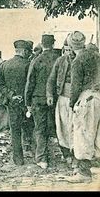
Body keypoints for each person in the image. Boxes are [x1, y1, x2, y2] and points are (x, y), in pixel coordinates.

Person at [66, 31, 100, 183]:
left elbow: (75, 86)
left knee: (83, 134)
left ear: (71, 45)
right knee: (97, 134)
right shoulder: (96, 56)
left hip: (87, 99)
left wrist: (72, 103)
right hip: (98, 96)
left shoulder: (77, 61)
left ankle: (84, 173)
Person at [25, 34, 60, 169]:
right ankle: (67, 155)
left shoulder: (36, 60)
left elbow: (30, 83)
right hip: (55, 99)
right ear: (53, 43)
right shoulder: (59, 59)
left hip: (38, 99)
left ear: (42, 43)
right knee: (57, 126)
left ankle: (41, 158)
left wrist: (28, 102)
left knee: (40, 129)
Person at [0, 40, 31, 165]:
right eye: (28, 51)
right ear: (24, 51)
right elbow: (31, 84)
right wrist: (23, 97)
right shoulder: (29, 64)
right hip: (27, 103)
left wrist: (11, 95)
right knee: (30, 127)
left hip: (12, 103)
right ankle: (34, 154)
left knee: (15, 130)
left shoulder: (5, 65)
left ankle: (18, 159)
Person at [46, 37, 76, 168]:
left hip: (76, 101)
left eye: (71, 50)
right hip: (62, 99)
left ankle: (76, 154)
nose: (69, 53)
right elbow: (51, 80)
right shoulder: (60, 61)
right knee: (62, 127)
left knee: (75, 127)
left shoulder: (79, 61)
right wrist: (49, 95)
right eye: (67, 50)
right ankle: (66, 153)